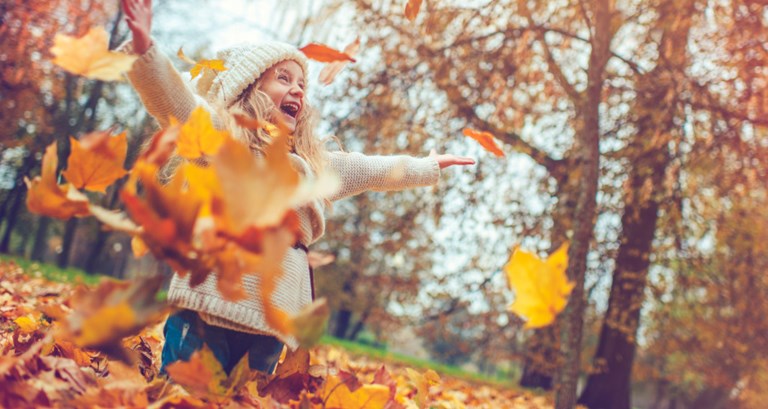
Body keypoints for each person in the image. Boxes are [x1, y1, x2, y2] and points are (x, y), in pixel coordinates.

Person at [121, 0, 475, 376]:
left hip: (274, 317)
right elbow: (178, 104)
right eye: (284, 79)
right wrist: (145, 49)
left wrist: (428, 165)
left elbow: (373, 169)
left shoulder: (312, 167)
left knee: (249, 399)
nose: (298, 91)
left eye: (302, 84)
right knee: (183, 394)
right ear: (250, 89)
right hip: (210, 303)